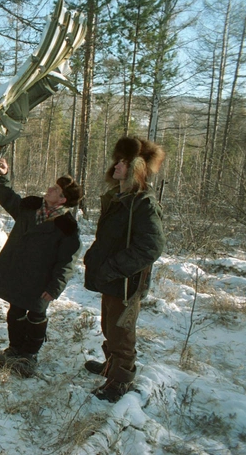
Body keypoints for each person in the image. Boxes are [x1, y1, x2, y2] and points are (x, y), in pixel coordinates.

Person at [83, 136, 166, 402]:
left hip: (127, 282)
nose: (116, 165)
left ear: (136, 168)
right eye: (117, 161)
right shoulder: (119, 198)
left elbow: (151, 246)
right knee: (110, 327)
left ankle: (120, 382)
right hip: (112, 279)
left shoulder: (142, 203)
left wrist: (113, 267)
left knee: (121, 332)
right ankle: (112, 367)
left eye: (123, 162)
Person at [0, 158, 83, 370]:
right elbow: (7, 197)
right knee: (15, 311)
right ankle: (14, 349)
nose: (50, 189)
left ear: (63, 199)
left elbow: (66, 262)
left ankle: (29, 356)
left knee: (37, 316)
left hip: (40, 282)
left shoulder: (67, 228)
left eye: (56, 189)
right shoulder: (30, 207)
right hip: (18, 272)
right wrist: (3, 176)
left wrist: (54, 288)